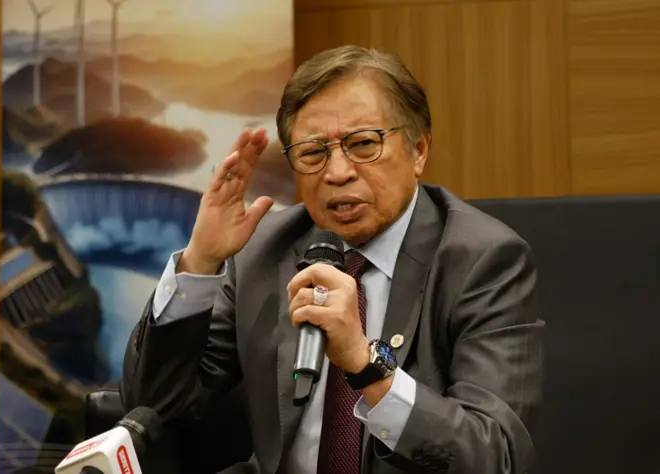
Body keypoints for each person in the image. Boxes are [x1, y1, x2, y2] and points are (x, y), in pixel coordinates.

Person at [121, 45, 545, 474]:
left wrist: (366, 365)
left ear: (418, 150)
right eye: (313, 153)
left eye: (363, 144)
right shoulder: (262, 250)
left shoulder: (483, 261)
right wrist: (200, 261)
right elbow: (154, 408)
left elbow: (496, 456)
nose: (338, 172)